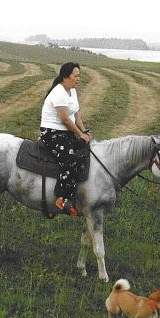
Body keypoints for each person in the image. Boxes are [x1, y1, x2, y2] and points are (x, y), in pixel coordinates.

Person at [39, 62, 91, 216]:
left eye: (79, 76)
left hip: (65, 132)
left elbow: (76, 115)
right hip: (51, 132)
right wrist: (80, 135)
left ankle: (78, 193)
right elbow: (65, 120)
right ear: (65, 77)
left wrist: (84, 131)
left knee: (84, 152)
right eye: (76, 76)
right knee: (70, 159)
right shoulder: (58, 92)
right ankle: (62, 198)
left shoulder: (72, 91)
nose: (78, 79)